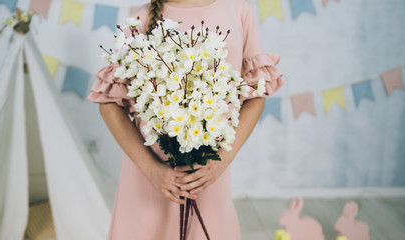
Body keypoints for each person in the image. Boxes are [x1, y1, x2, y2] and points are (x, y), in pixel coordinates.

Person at [86, 0, 284, 239]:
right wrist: (153, 170)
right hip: (148, 178)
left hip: (207, 176)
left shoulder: (239, 11)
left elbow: (256, 94)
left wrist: (221, 160)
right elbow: (109, 104)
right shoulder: (139, 20)